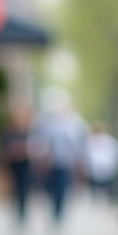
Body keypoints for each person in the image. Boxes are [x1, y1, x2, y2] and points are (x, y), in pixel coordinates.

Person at [29, 89, 89, 227]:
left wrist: (80, 161)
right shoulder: (44, 122)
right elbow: (37, 139)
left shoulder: (75, 123)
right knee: (48, 187)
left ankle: (58, 212)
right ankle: (52, 208)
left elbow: (80, 144)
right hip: (47, 162)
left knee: (62, 187)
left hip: (65, 162)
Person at [0, 103, 35, 225]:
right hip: (12, 163)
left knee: (24, 187)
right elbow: (2, 146)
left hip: (25, 163)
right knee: (13, 188)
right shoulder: (8, 130)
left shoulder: (29, 130)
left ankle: (22, 212)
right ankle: (16, 211)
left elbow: (36, 145)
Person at [85, 122, 118, 201]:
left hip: (107, 168)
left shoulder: (110, 141)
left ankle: (108, 198)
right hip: (97, 169)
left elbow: (116, 154)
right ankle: (96, 198)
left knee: (109, 186)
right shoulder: (90, 141)